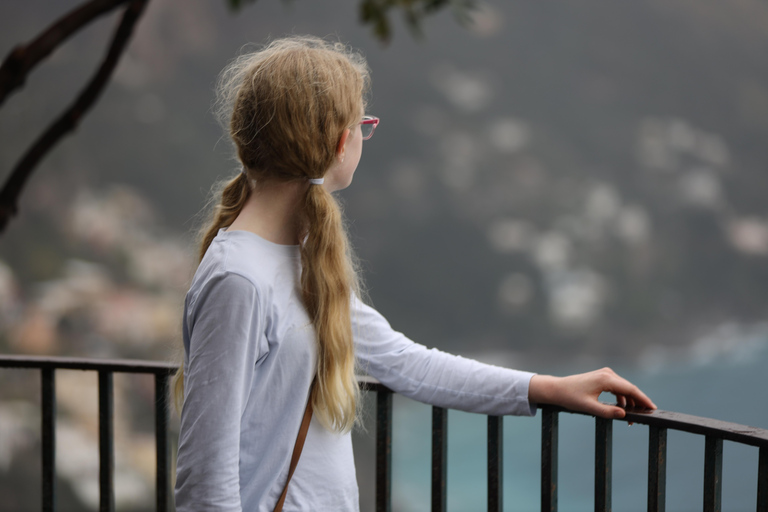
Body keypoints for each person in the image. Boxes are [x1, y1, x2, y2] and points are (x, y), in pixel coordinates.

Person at [173, 36, 656, 512]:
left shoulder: (297, 261)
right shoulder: (239, 280)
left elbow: (404, 362)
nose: (364, 135)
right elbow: (204, 485)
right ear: (341, 143)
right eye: (362, 124)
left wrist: (546, 388)